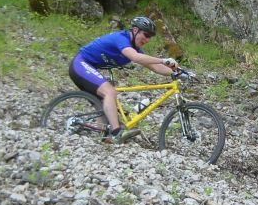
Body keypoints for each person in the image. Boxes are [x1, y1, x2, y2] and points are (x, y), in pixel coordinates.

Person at [69, 16, 178, 144]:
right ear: (135, 30)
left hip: (89, 67)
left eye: (150, 37)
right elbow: (136, 58)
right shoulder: (121, 39)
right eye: (146, 35)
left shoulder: (134, 48)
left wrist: (178, 72)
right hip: (80, 64)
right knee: (110, 92)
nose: (147, 40)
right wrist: (163, 60)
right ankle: (116, 133)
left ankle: (104, 135)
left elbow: (155, 67)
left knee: (106, 103)